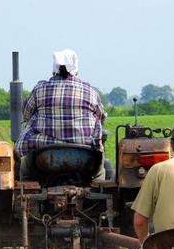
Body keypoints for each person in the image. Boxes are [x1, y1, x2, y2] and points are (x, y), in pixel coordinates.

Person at [14, 49, 107, 179]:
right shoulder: (90, 91)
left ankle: (25, 189)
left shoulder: (40, 89)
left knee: (25, 169)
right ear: (76, 68)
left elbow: (26, 115)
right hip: (84, 152)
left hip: (44, 153)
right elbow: (102, 117)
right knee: (100, 171)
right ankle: (99, 186)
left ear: (54, 68)